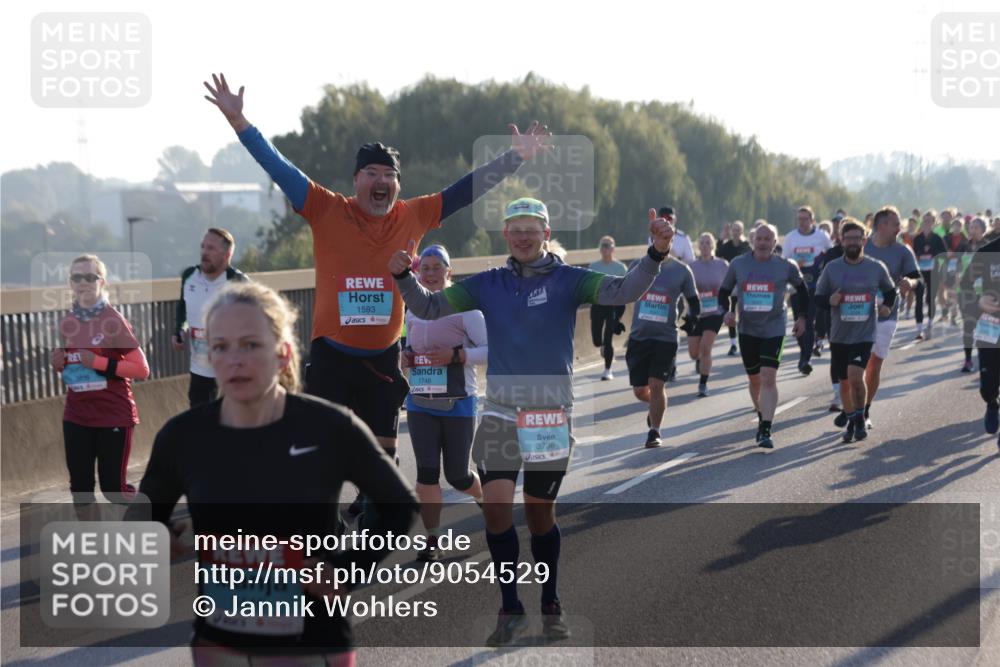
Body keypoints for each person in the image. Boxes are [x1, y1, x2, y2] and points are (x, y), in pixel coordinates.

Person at [203, 72, 550, 465]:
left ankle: (378, 520)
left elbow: (465, 190)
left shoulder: (414, 214)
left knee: (382, 460)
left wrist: (515, 157)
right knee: (319, 455)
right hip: (331, 356)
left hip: (383, 359)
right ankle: (324, 524)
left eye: (389, 176)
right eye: (372, 174)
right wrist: (239, 123)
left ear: (398, 185)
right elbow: (277, 166)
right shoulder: (325, 207)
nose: (381, 181)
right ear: (356, 181)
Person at [389, 197, 675, 646]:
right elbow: (427, 308)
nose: (523, 236)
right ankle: (510, 607)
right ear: (505, 235)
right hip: (501, 413)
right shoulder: (488, 284)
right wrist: (402, 275)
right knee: (499, 511)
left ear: (545, 232)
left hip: (548, 416)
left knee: (540, 516)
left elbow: (623, 292)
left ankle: (551, 600)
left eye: (531, 228)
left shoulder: (569, 280)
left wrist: (655, 254)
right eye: (514, 229)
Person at [137, 281, 419, 664]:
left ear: (283, 354)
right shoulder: (182, 437)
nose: (235, 359)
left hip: (314, 644)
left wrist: (347, 568)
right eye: (220, 347)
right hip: (220, 646)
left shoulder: (330, 427)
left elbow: (399, 505)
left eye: (251, 345)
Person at [401, 244, 486, 561]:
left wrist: (456, 355)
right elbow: (409, 345)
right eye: (426, 268)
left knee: (458, 476)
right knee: (425, 474)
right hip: (420, 401)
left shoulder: (466, 308)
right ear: (418, 272)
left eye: (438, 267)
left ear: (449, 272)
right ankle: (432, 540)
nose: (431, 273)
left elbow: (492, 349)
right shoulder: (411, 307)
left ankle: (484, 499)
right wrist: (405, 357)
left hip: (458, 401)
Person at [49, 254, 150, 504]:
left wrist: (98, 363)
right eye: (76, 277)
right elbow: (73, 366)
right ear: (70, 284)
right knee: (80, 490)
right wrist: (59, 363)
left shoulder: (113, 320)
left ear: (102, 282)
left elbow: (141, 369)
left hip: (113, 415)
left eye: (90, 277)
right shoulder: (68, 322)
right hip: (77, 415)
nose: (83, 282)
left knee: (113, 490)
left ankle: (150, 515)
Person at [718, 223, 808, 449]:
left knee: (768, 377)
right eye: (759, 238)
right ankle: (761, 417)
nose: (763, 243)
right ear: (752, 240)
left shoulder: (786, 266)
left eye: (768, 239)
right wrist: (726, 311)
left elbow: (803, 291)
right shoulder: (738, 264)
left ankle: (766, 427)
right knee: (755, 379)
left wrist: (802, 317)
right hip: (747, 329)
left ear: (775, 242)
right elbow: (723, 292)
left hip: (774, 329)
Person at [817, 217, 902, 440]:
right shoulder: (832, 268)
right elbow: (818, 298)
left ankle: (860, 420)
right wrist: (830, 301)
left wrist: (886, 307)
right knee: (844, 384)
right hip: (839, 335)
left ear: (864, 240)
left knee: (856, 377)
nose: (853, 242)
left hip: (864, 333)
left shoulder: (875, 267)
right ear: (842, 241)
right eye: (849, 239)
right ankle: (854, 422)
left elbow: (891, 291)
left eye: (857, 238)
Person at [627, 233, 700, 447]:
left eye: (665, 240)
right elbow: (622, 292)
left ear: (670, 243)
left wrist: (692, 319)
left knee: (657, 384)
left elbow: (693, 301)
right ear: (650, 242)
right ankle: (656, 407)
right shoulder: (637, 265)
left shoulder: (681, 270)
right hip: (639, 336)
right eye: (655, 240)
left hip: (665, 337)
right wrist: (613, 318)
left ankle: (654, 431)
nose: (660, 244)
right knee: (641, 390)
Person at [853, 206, 921, 430]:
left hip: (887, 315)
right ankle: (853, 409)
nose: (899, 228)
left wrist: (909, 283)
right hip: (855, 314)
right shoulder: (862, 247)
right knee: (855, 366)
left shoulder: (903, 251)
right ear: (881, 225)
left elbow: (916, 279)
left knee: (873, 364)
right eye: (895, 223)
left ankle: (865, 410)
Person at [172, 228, 249, 408]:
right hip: (199, 370)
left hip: (230, 372)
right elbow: (182, 308)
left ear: (227, 254)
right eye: (203, 247)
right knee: (200, 428)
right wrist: (178, 331)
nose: (204, 253)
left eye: (211, 248)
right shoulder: (189, 276)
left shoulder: (238, 282)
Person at [959, 232, 1000, 449]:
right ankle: (992, 403)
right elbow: (965, 285)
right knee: (988, 386)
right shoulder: (987, 253)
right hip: (990, 324)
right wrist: (979, 302)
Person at [783, 205, 832, 375]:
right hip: (797, 286)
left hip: (815, 286)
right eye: (800, 219)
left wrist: (823, 270)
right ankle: (805, 350)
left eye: (806, 219)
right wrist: (796, 264)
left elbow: (830, 255)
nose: (802, 222)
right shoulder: (790, 238)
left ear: (812, 220)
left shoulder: (822, 236)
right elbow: (785, 261)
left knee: (809, 321)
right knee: (799, 321)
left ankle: (805, 360)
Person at [687, 232, 729, 397]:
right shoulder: (691, 266)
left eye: (707, 243)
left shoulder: (722, 265)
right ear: (698, 246)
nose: (704, 246)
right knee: (693, 352)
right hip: (695, 313)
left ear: (713, 246)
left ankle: (703, 384)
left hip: (714, 312)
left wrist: (728, 307)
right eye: (702, 243)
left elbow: (730, 285)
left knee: (706, 348)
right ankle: (698, 361)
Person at [588, 235, 629, 380]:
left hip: (613, 306)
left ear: (613, 248)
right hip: (598, 305)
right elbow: (589, 287)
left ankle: (607, 370)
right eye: (602, 245)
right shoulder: (593, 267)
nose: (605, 248)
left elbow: (625, 289)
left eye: (607, 245)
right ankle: (603, 347)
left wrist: (619, 316)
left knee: (608, 338)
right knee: (597, 341)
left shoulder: (620, 268)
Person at [716, 219, 750, 356]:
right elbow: (717, 255)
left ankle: (746, 341)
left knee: (744, 314)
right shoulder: (727, 246)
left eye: (738, 230)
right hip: (730, 284)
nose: (735, 232)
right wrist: (720, 239)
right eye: (733, 230)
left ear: (742, 231)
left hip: (744, 285)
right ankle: (733, 344)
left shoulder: (746, 246)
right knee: (731, 313)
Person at [959, 217, 989, 372]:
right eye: (971, 226)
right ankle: (968, 360)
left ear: (983, 230)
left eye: (977, 227)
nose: (973, 229)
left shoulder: (989, 247)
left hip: (986, 295)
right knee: (968, 326)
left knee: (986, 328)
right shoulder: (963, 246)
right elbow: (956, 267)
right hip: (966, 293)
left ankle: (985, 360)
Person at [913, 211, 947, 340]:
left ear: (933, 223)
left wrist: (934, 256)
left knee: (930, 298)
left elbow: (944, 254)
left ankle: (930, 323)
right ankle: (919, 329)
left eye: (929, 221)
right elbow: (913, 254)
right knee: (919, 298)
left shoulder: (937, 238)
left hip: (934, 271)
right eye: (924, 221)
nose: (926, 224)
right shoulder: (917, 238)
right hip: (920, 271)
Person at [942, 218, 970, 325]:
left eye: (959, 225)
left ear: (962, 227)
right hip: (946, 266)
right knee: (949, 291)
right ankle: (948, 307)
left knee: (955, 290)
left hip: (959, 266)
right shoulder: (946, 237)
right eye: (955, 225)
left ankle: (953, 315)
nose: (957, 227)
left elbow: (968, 252)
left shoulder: (965, 239)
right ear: (952, 226)